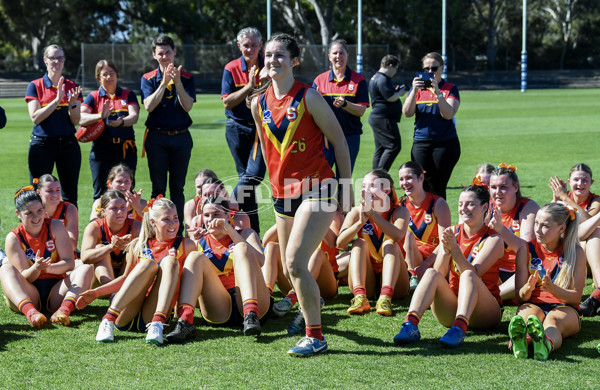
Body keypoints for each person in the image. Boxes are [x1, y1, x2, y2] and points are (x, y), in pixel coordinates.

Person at [249, 33, 353, 357]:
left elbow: (340, 142)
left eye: (280, 55)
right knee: (288, 268)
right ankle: (313, 301)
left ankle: (316, 337)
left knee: (294, 261)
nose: (272, 61)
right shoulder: (257, 103)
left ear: (295, 61)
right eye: (268, 55)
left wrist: (345, 191)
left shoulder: (309, 96)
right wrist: (272, 185)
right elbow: (268, 151)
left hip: (318, 188)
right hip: (282, 196)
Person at [393, 184, 505, 348]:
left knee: (468, 275)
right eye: (460, 204)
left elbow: (474, 273)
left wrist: (454, 250)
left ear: (484, 208)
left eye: (470, 204)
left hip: (485, 314)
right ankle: (410, 325)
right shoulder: (453, 232)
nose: (463, 208)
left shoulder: (494, 240)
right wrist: (446, 251)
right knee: (431, 273)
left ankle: (459, 330)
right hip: (452, 307)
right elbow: (439, 273)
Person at [78, 197, 195, 345]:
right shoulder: (138, 244)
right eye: (166, 219)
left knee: (170, 261)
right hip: (125, 312)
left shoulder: (187, 245)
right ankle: (108, 320)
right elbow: (125, 279)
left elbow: (189, 283)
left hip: (154, 312)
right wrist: (96, 293)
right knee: (148, 265)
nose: (173, 223)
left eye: (176, 218)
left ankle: (157, 324)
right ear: (153, 222)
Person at [165, 196, 271, 342]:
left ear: (228, 215)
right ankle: (185, 322)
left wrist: (230, 231)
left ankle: (250, 313)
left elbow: (260, 261)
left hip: (254, 302)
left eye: (216, 214)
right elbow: (189, 282)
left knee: (242, 247)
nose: (210, 219)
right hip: (218, 305)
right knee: (195, 256)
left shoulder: (245, 233)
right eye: (206, 215)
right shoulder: (199, 241)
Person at [0, 189, 93, 327]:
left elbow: (69, 263)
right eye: (29, 213)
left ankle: (64, 310)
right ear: (18, 214)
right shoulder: (13, 237)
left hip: (56, 289)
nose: (36, 217)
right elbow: (25, 277)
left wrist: (49, 268)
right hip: (29, 291)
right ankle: (31, 312)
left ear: (44, 209)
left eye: (39, 211)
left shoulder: (55, 226)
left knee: (86, 268)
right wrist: (36, 268)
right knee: (6, 269)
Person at [508, 203, 585, 360]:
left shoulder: (575, 251)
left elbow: (576, 298)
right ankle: (521, 341)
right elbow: (519, 297)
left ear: (562, 229)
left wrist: (552, 289)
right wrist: (528, 288)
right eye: (536, 222)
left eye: (545, 226)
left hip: (565, 308)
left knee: (552, 322)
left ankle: (545, 344)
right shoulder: (526, 249)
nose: (537, 229)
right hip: (534, 303)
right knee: (526, 319)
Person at [140, 35, 196, 234]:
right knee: (158, 188)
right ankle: (157, 231)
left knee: (178, 188)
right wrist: (163, 83)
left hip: (181, 137)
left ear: (174, 53)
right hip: (157, 138)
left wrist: (177, 82)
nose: (165, 56)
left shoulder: (187, 77)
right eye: (160, 53)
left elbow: (188, 106)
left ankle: (177, 232)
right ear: (154, 55)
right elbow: (148, 106)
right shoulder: (148, 78)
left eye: (168, 52)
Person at [337, 169, 410, 316]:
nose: (365, 190)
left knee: (390, 243)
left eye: (371, 186)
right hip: (368, 278)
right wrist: (359, 223)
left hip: (397, 283)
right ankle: (359, 296)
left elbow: (398, 235)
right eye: (364, 186)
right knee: (358, 243)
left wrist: (372, 214)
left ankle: (385, 297)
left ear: (386, 190)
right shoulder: (357, 212)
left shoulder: (400, 211)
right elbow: (340, 244)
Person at [262, 211, 345, 335]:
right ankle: (265, 298)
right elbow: (266, 241)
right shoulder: (294, 212)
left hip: (324, 282)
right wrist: (290, 217)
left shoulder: (333, 215)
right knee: (272, 248)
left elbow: (332, 242)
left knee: (317, 253)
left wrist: (311, 216)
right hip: (294, 277)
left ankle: (293, 296)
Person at [221, 27, 266, 234]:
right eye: (246, 45)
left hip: (261, 129)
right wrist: (249, 86)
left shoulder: (269, 65)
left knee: (253, 177)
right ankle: (253, 234)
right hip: (236, 129)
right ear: (239, 46)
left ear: (261, 45)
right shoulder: (231, 68)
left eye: (254, 45)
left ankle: (225, 206)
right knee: (248, 184)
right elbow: (227, 103)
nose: (250, 49)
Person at [25, 44, 83, 206]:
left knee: (70, 195)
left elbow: (76, 121)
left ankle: (69, 231)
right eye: (53, 58)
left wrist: (72, 104)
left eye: (60, 58)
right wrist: (57, 100)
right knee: (37, 193)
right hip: (42, 145)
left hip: (68, 145)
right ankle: (40, 230)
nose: (57, 61)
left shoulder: (72, 86)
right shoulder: (35, 85)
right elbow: (35, 117)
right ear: (45, 60)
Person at [402, 52, 460, 199]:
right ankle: (426, 220)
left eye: (433, 68)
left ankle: (441, 220)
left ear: (442, 68)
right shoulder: (417, 89)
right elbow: (407, 113)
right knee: (423, 185)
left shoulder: (450, 88)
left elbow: (448, 114)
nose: (430, 72)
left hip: (445, 144)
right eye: (426, 69)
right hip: (421, 143)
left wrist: (438, 93)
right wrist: (414, 91)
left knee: (438, 185)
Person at [80, 60, 139, 200]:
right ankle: (99, 221)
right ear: (98, 77)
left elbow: (134, 116)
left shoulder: (128, 94)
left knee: (127, 190)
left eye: (111, 73)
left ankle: (128, 221)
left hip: (126, 149)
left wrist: (121, 122)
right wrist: (101, 116)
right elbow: (81, 118)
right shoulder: (93, 97)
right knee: (100, 191)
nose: (108, 77)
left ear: (117, 75)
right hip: (101, 149)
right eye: (104, 74)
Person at [548, 163, 600, 316]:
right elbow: (548, 227)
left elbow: (589, 220)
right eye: (576, 179)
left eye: (585, 180)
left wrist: (565, 198)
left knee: (595, 231)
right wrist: (556, 200)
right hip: (571, 255)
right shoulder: (563, 200)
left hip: (590, 255)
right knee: (588, 234)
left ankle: (598, 292)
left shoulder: (596, 201)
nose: (580, 184)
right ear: (569, 182)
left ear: (591, 183)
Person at [313, 39, 369, 174]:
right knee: (322, 178)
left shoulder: (358, 80)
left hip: (350, 137)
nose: (338, 56)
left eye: (342, 53)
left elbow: (361, 111)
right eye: (335, 53)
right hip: (325, 138)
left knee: (344, 179)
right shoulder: (319, 80)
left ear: (347, 55)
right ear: (329, 57)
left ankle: (342, 196)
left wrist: (345, 104)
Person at [488, 164, 539, 301]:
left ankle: (489, 298)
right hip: (493, 269)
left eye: (503, 187)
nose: (498, 192)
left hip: (519, 271)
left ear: (515, 187)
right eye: (493, 187)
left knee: (531, 276)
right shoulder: (486, 206)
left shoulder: (528, 208)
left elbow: (528, 250)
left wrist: (501, 229)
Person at [398, 161, 451, 291]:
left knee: (409, 234)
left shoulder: (438, 203)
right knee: (407, 235)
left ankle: (415, 277)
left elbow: (445, 242)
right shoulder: (400, 205)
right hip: (411, 258)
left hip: (434, 259)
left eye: (409, 178)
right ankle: (412, 275)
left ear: (421, 178)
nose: (405, 183)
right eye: (401, 179)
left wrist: (426, 265)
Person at [80, 190, 141, 285]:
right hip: (99, 281)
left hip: (125, 278)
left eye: (123, 207)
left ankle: (117, 290)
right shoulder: (95, 227)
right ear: (103, 211)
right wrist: (110, 247)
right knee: (100, 248)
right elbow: (84, 257)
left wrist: (126, 247)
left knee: (134, 248)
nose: (120, 211)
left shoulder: (136, 226)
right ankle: (111, 293)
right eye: (114, 208)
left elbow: (150, 254)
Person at [368, 55, 406, 171]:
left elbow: (384, 95)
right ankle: (380, 176)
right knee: (393, 146)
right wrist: (400, 92)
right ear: (390, 65)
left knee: (380, 148)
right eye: (395, 69)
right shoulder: (382, 79)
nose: (395, 72)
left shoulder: (375, 77)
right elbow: (390, 98)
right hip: (383, 118)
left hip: (378, 117)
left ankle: (375, 176)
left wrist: (396, 91)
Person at [36, 174, 79, 252]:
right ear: (39, 192)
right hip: (40, 255)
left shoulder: (69, 209)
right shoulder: (34, 211)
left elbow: (72, 245)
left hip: (64, 256)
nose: (55, 194)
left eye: (58, 190)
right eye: (50, 191)